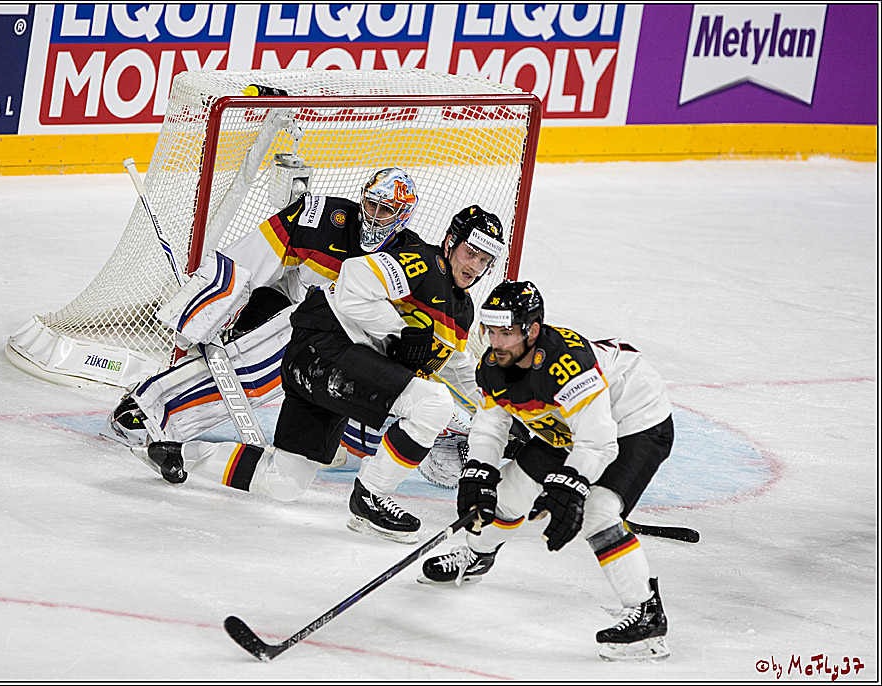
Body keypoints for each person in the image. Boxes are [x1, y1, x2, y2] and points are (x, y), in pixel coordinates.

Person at [146, 206, 506, 543]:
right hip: (326, 347)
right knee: (433, 404)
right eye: (470, 252)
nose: (474, 265)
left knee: (284, 481)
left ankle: (175, 453)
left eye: (484, 260)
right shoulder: (423, 263)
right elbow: (352, 279)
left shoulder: (461, 311)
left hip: (329, 369)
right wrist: (398, 328)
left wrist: (504, 412)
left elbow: (457, 366)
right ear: (450, 243)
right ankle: (371, 498)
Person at [109, 168, 441, 465]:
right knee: (243, 366)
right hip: (285, 308)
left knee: (263, 380)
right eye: (371, 205)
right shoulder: (322, 217)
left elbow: (417, 327)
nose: (374, 216)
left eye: (386, 210)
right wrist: (207, 307)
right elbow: (253, 254)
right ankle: (149, 409)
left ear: (403, 216)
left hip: (336, 340)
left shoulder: (411, 259)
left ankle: (158, 409)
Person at [419, 280, 675, 662]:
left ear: (532, 330)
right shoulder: (493, 365)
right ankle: (478, 554)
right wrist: (478, 470)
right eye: (491, 331)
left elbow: (599, 442)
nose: (496, 341)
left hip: (635, 419)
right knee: (506, 492)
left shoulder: (565, 365)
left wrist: (571, 485)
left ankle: (647, 616)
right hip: (571, 424)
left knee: (597, 510)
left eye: (506, 332)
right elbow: (491, 426)